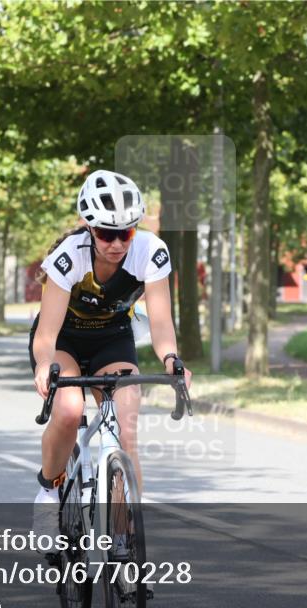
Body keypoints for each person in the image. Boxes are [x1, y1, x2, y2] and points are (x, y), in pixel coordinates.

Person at [29, 169, 191, 554]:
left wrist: (171, 358)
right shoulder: (68, 257)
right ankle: (48, 493)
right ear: (89, 227)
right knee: (69, 411)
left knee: (125, 425)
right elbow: (46, 335)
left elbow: (161, 322)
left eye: (126, 233)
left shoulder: (151, 251)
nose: (117, 243)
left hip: (112, 339)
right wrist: (44, 365)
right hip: (65, 340)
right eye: (106, 234)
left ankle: (122, 536)